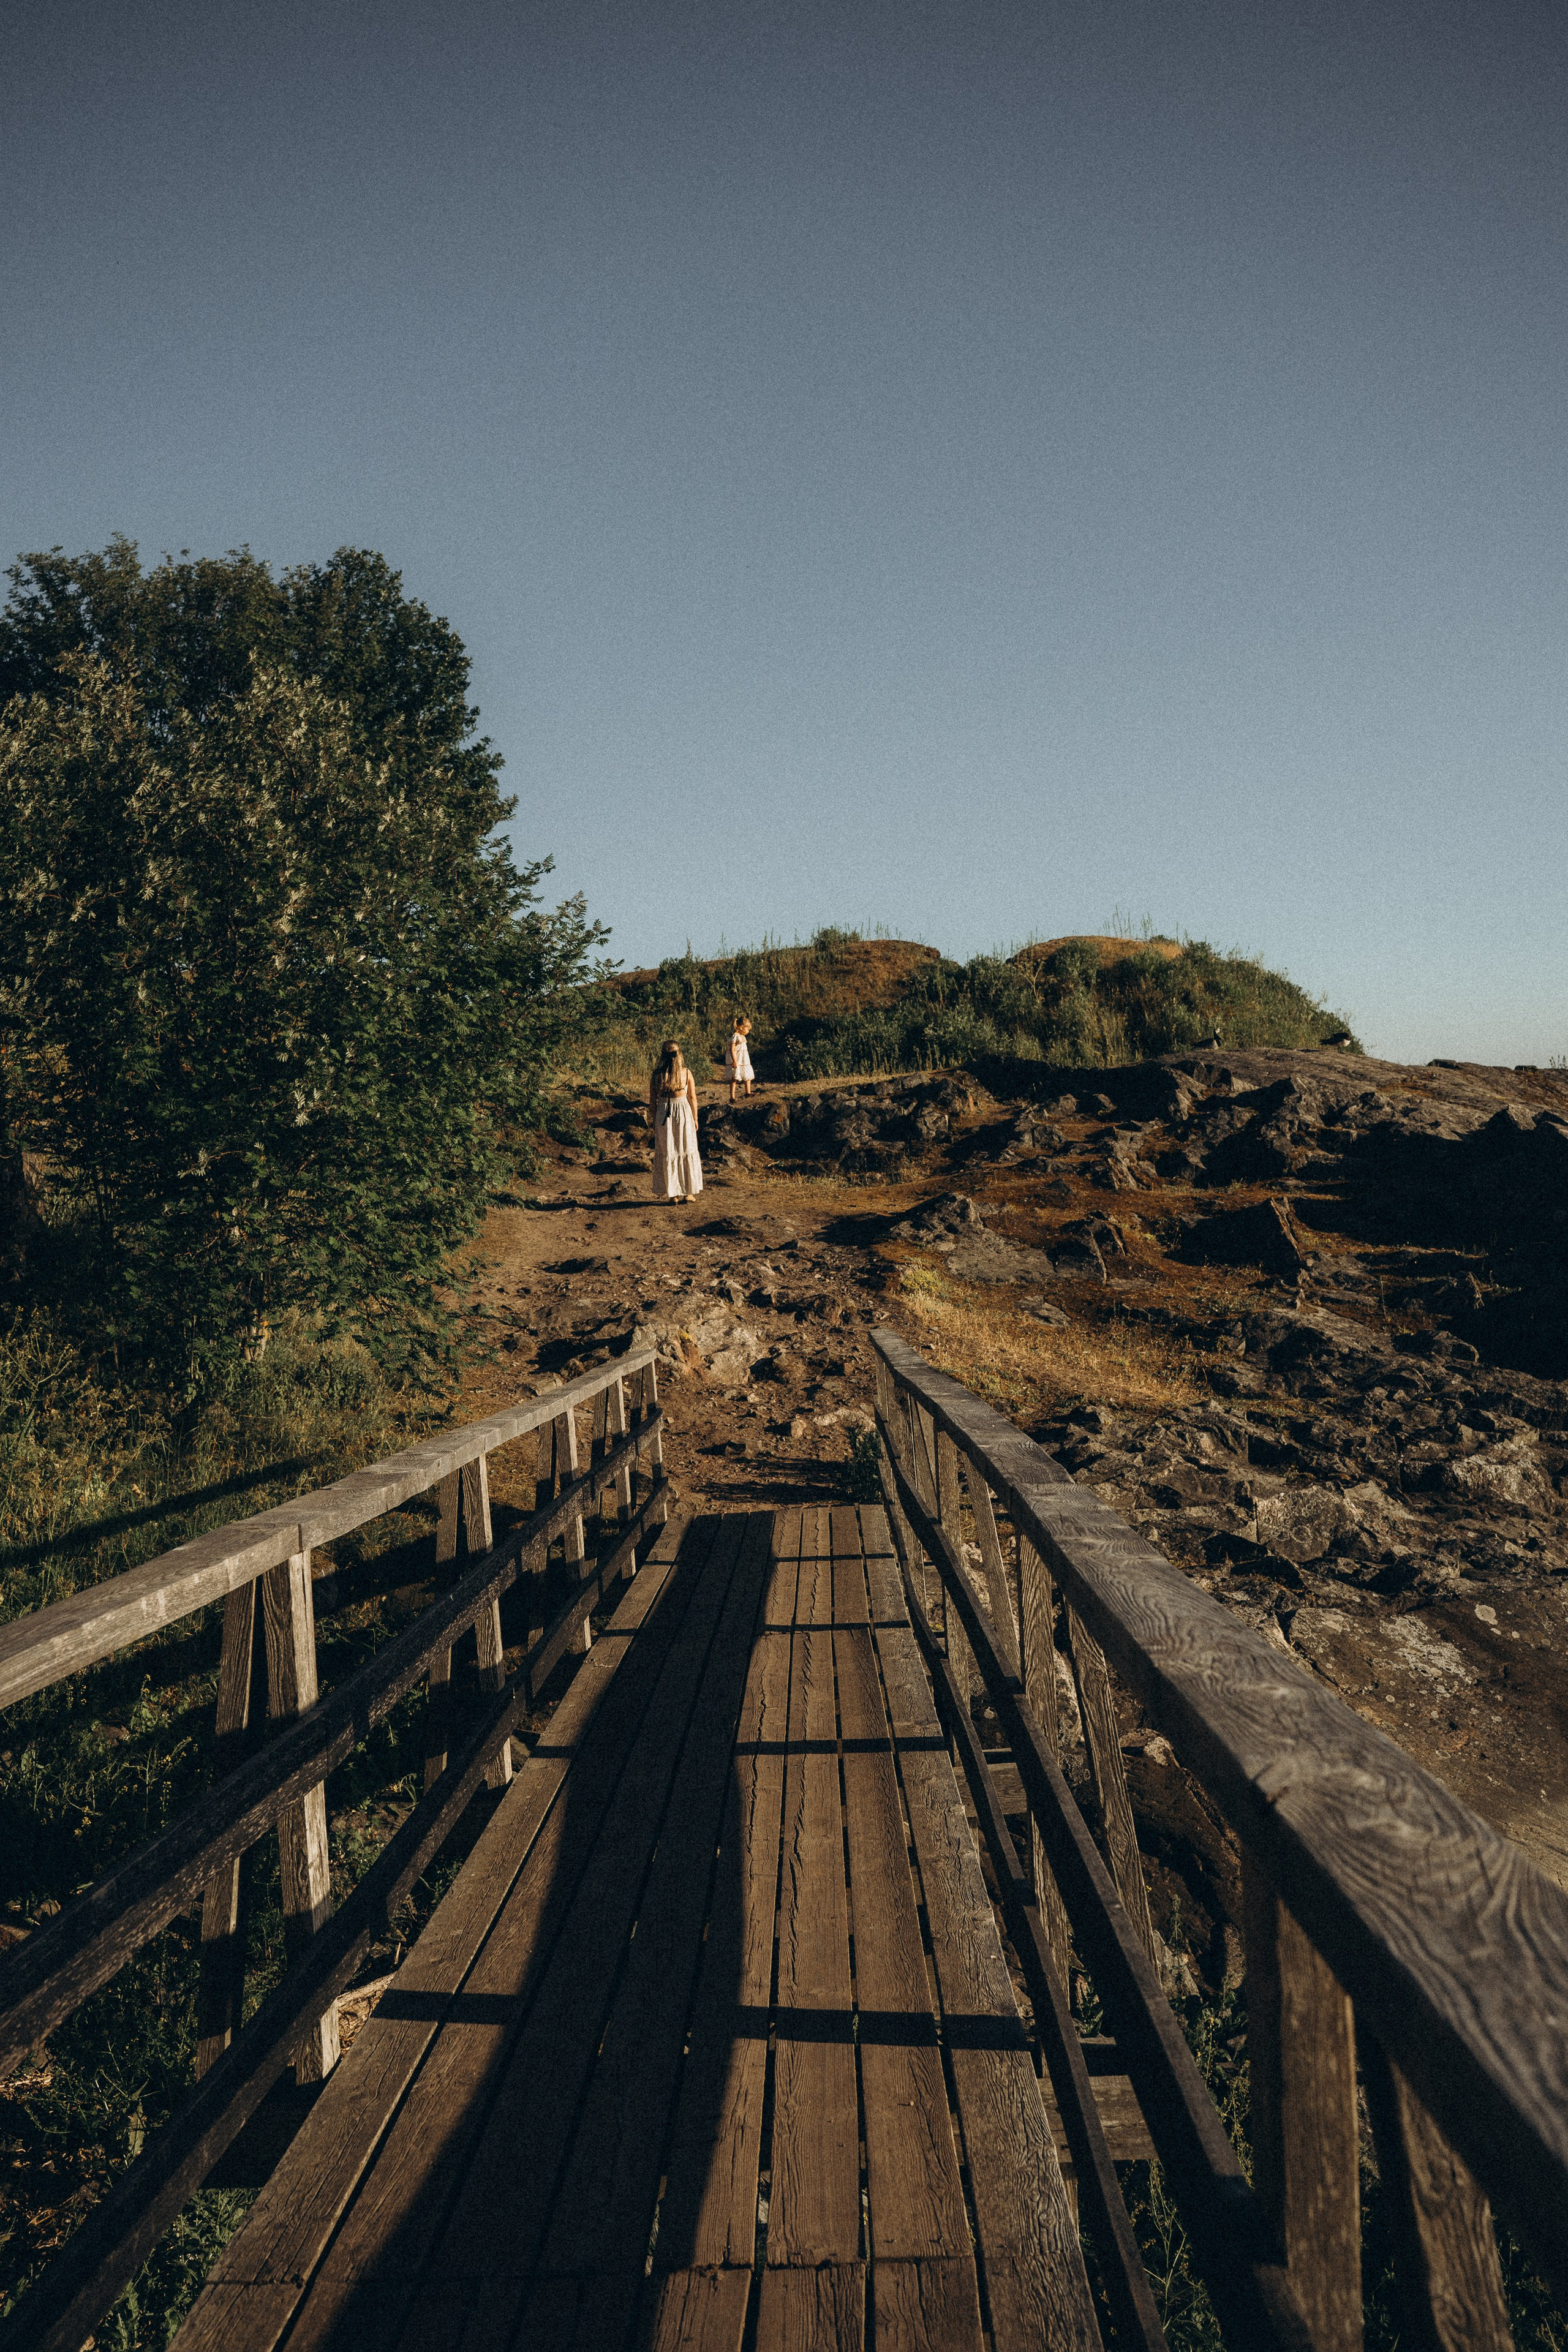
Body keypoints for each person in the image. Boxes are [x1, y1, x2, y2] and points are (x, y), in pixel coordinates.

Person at [649, 1040, 703, 1202]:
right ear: (679, 1054)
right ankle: (689, 1193)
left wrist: (654, 1120)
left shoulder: (657, 1075)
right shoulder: (686, 1073)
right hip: (683, 1111)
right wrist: (695, 1117)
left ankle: (673, 1195)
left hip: (663, 1112)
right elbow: (692, 1097)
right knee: (687, 1147)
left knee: (668, 1150)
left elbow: (653, 1101)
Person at [726, 1016, 756, 1104]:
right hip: (737, 1060)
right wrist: (734, 1061)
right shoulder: (735, 1036)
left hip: (744, 1060)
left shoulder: (743, 1037)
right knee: (734, 1078)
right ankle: (732, 1097)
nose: (748, 1032)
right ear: (742, 1027)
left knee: (747, 1075)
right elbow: (732, 1049)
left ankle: (748, 1092)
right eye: (747, 1029)